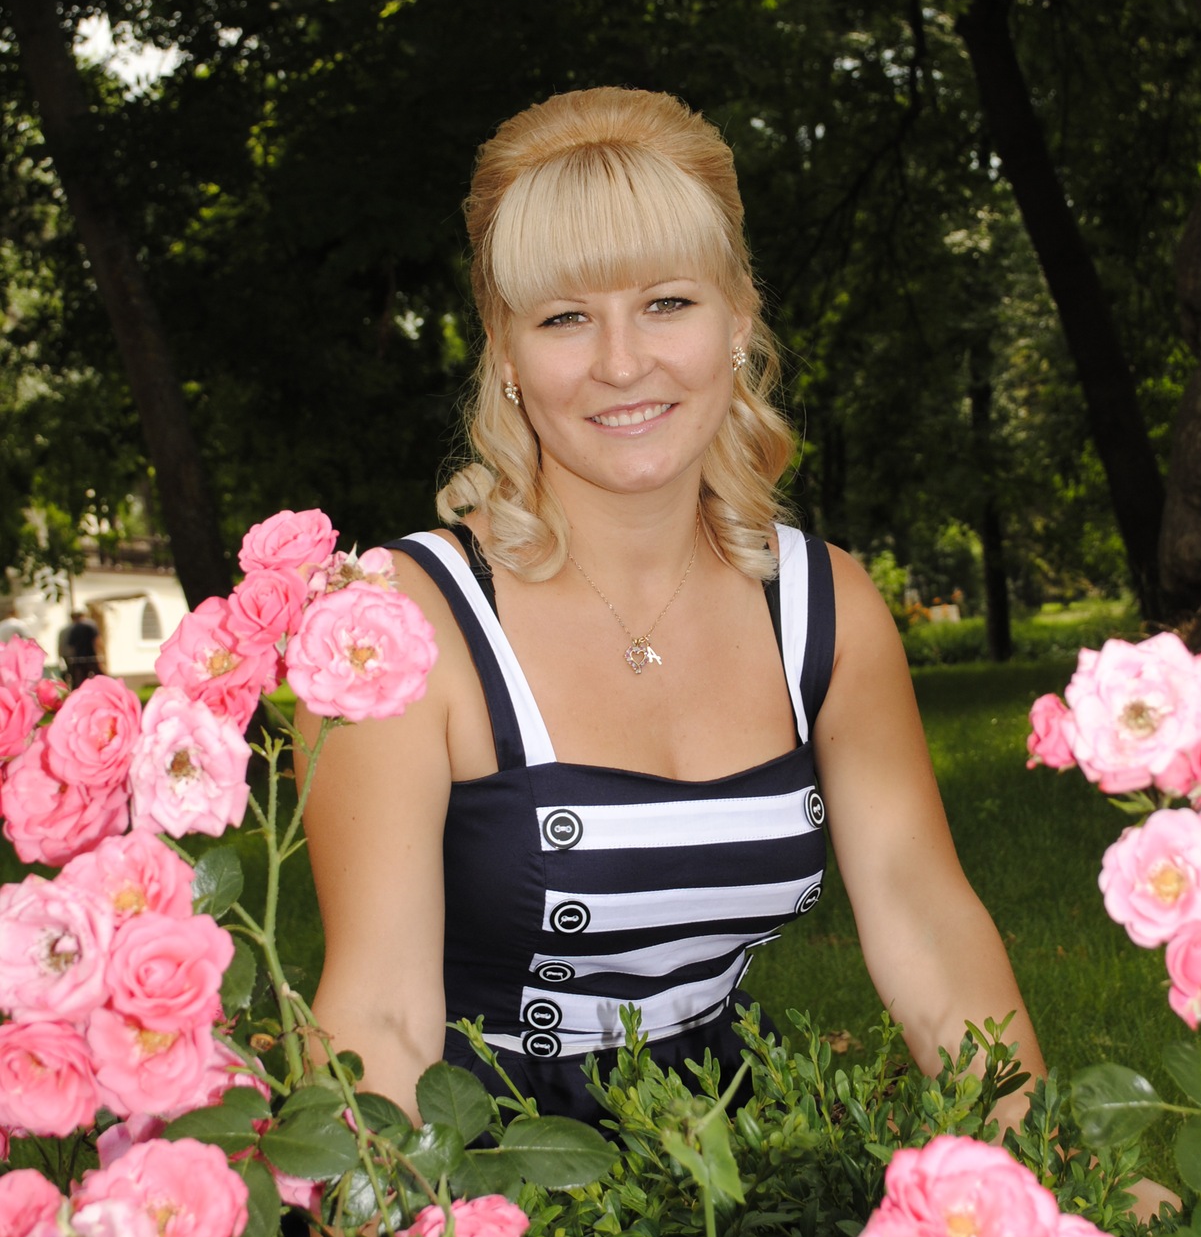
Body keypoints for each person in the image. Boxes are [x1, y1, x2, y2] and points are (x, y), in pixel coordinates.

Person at [303, 87, 1047, 1136]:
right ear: (505, 352)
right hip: (482, 1157)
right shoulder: (399, 624)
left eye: (666, 302)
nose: (621, 362)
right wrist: (395, 1234)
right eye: (565, 317)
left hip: (734, 1142)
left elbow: (925, 923)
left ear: (737, 319)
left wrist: (1044, 1178)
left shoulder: (823, 604)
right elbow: (379, 1014)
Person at [57, 606, 103, 688]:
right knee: (97, 679)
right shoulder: (90, 625)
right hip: (90, 658)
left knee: (77, 681)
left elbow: (67, 646)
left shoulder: (66, 630)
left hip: (75, 659)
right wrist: (101, 654)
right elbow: (97, 641)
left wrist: (61, 658)